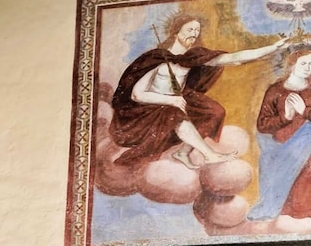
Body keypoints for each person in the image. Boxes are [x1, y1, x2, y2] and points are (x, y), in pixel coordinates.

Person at [110, 14, 287, 168]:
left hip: (176, 102)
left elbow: (234, 58)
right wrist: (169, 100)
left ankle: (183, 153)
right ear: (176, 31)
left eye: (197, 30)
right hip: (148, 111)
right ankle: (210, 155)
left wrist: (272, 48)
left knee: (214, 112)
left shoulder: (192, 58)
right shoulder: (155, 59)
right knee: (173, 112)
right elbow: (137, 94)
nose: (194, 34)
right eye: (190, 29)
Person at [250, 48, 311, 219]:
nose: (308, 67)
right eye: (304, 63)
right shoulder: (275, 91)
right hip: (280, 148)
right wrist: (286, 117)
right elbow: (262, 125)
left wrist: (304, 111)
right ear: (292, 65)